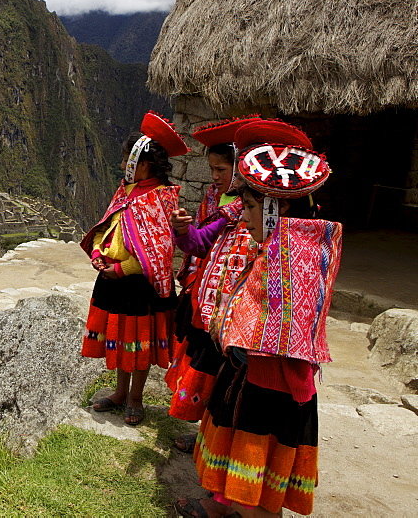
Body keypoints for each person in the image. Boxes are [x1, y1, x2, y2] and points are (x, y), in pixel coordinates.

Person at [176, 120, 340, 518]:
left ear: (275, 206)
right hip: (250, 377)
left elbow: (285, 333)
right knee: (242, 473)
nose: (244, 217)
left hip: (273, 391)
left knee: (259, 495)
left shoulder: (295, 256)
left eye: (249, 207)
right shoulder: (279, 245)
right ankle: (218, 509)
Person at [80, 112, 189, 426]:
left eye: (126, 159)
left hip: (139, 285)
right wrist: (100, 251)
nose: (121, 164)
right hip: (113, 278)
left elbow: (159, 250)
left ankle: (135, 398)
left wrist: (124, 268)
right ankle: (119, 393)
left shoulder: (160, 199)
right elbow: (108, 224)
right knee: (121, 338)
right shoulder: (127, 191)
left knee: (138, 344)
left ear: (142, 164)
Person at [165, 116, 259, 453]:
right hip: (205, 297)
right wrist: (181, 230)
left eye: (221, 169)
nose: (214, 176)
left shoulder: (246, 210)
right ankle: (206, 434)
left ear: (240, 169)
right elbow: (199, 243)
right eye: (212, 169)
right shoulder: (214, 199)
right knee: (205, 368)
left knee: (221, 375)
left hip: (232, 310)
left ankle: (212, 438)